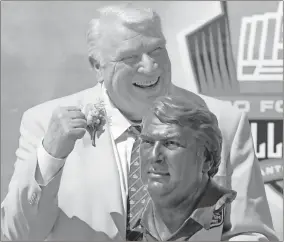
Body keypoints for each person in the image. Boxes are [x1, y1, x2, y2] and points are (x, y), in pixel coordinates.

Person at [1, 3, 278, 241]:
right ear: (98, 66)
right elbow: (20, 235)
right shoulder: (44, 123)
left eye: (157, 50)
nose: (150, 66)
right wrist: (51, 156)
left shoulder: (224, 121)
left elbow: (248, 231)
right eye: (130, 57)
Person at [129, 95, 237, 241]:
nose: (154, 156)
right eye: (147, 142)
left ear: (207, 159)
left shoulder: (233, 215)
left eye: (171, 143)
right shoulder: (134, 225)